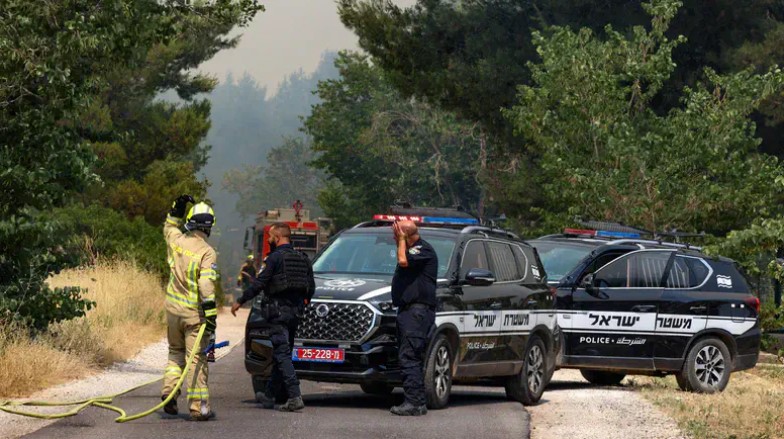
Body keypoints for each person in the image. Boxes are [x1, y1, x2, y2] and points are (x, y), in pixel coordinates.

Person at [231, 222, 315, 412]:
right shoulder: (303, 258)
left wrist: (241, 300)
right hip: (295, 314)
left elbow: (260, 283)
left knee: (282, 353)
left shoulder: (274, 259)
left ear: (277, 237)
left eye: (270, 236)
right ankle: (269, 395)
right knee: (282, 354)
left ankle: (294, 395)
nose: (268, 239)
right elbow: (311, 287)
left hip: (277, 313)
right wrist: (303, 302)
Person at [161, 195, 219, 421]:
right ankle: (198, 407)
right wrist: (211, 314)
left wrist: (176, 208)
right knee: (196, 359)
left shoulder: (176, 240)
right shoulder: (207, 252)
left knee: (175, 354)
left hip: (172, 311)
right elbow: (205, 284)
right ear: (209, 226)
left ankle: (169, 392)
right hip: (194, 316)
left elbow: (169, 227)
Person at [390, 220, 437, 416]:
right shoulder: (413, 249)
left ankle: (415, 403)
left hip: (416, 313)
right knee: (407, 355)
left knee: (410, 356)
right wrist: (400, 239)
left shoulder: (422, 249)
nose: (394, 237)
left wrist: (401, 237)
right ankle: (415, 401)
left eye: (397, 234)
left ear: (406, 235)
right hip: (408, 311)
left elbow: (403, 260)